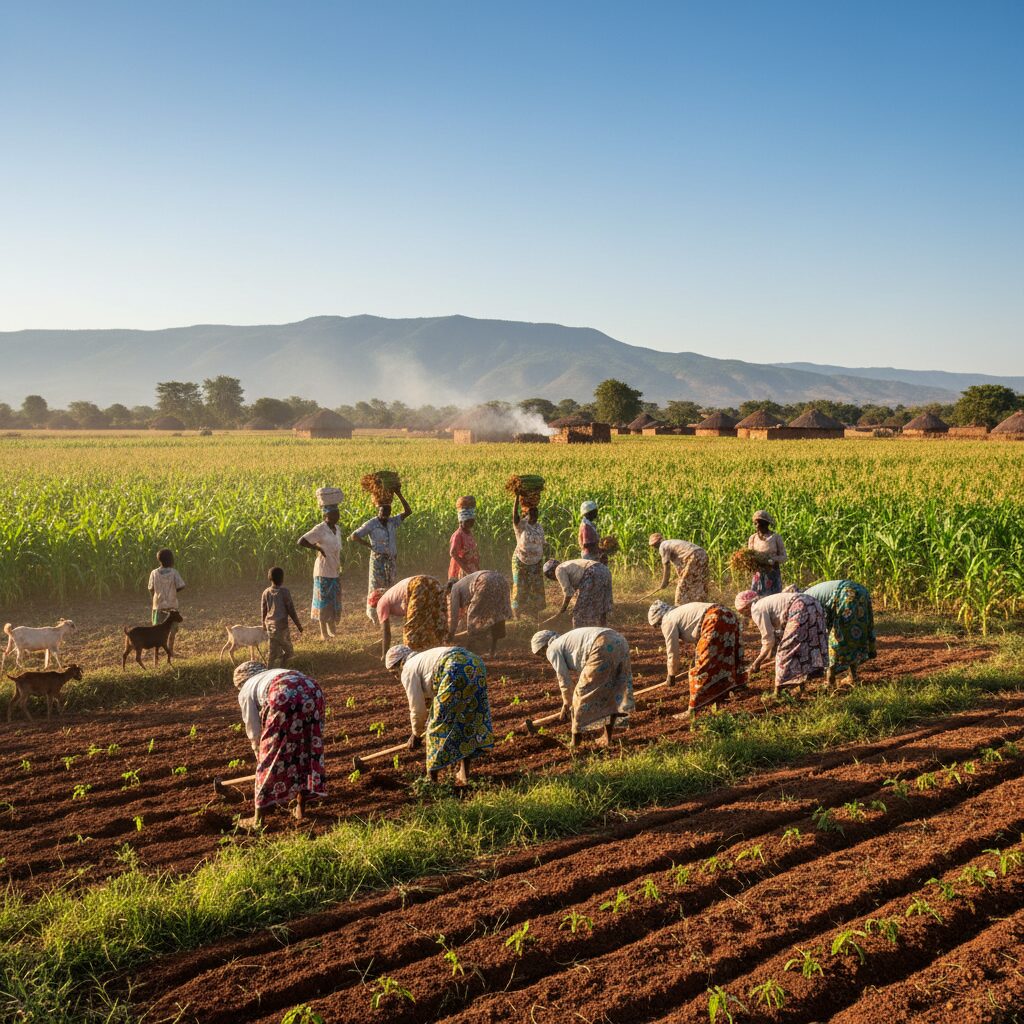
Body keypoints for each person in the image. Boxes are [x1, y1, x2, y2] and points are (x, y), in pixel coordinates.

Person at [232, 661, 326, 829]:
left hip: (283, 692)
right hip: (313, 688)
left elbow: (253, 730)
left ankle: (258, 821)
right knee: (308, 748)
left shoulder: (246, 689)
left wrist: (261, 756)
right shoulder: (273, 673)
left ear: (240, 682)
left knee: (269, 757)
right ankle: (300, 810)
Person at [385, 643, 493, 786]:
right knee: (467, 718)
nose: (395, 677)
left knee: (435, 728)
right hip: (474, 662)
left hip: (453, 668)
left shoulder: (407, 669)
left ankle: (432, 781)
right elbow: (430, 702)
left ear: (398, 664)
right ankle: (464, 774)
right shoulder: (423, 659)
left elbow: (417, 709)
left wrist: (416, 734)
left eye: (393, 673)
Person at [530, 628, 634, 749]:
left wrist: (567, 702)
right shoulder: (565, 640)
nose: (543, 657)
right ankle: (608, 737)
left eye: (540, 654)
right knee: (614, 690)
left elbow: (564, 679)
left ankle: (575, 742)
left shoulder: (552, 648)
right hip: (619, 639)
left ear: (543, 647)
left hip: (601, 644)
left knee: (580, 695)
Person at [648, 600, 746, 717]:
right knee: (729, 653)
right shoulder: (679, 611)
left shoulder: (667, 620)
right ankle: (736, 686)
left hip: (713, 619)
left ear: (658, 620)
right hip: (727, 614)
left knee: (701, 667)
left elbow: (672, 651)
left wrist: (671, 675)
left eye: (656, 626)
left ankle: (694, 709)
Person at [735, 588, 827, 696]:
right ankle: (802, 686)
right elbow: (777, 635)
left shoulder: (756, 609)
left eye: (742, 612)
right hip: (813, 603)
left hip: (799, 607)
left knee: (784, 652)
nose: (744, 615)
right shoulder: (766, 602)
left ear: (746, 607)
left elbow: (768, 641)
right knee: (804, 646)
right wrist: (767, 655)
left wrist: (756, 663)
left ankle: (777, 692)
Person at [350, 486, 413, 619]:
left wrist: (399, 494)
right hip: (378, 560)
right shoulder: (371, 524)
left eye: (388, 511)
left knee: (390, 587)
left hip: (390, 559)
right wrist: (369, 545)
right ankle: (374, 615)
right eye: (383, 511)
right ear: (378, 510)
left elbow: (408, 511)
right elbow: (354, 536)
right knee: (375, 587)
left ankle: (388, 613)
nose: (385, 514)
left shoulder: (392, 522)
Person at [803, 579, 877, 687]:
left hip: (845, 593)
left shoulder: (802, 601)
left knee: (837, 637)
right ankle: (853, 676)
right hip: (861, 590)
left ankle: (830, 680)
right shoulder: (806, 594)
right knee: (854, 633)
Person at [298, 496, 343, 640]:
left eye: (337, 514)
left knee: (334, 600)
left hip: (334, 569)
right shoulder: (320, 529)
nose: (336, 517)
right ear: (325, 516)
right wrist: (317, 547)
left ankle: (332, 630)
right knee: (323, 602)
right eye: (333, 514)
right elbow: (301, 541)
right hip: (323, 571)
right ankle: (324, 633)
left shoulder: (337, 529)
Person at [375, 574, 447, 659]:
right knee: (435, 620)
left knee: (410, 632)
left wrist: (385, 654)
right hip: (433, 582)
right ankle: (441, 650)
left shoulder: (380, 603)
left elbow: (386, 632)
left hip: (417, 585)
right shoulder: (392, 593)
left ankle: (410, 659)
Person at [447, 570, 512, 656]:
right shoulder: (465, 582)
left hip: (484, 582)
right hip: (501, 580)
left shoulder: (454, 588)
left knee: (473, 619)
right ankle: (492, 651)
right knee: (497, 615)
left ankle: (472, 651)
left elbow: (454, 615)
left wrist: (451, 634)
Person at [543, 557, 613, 628]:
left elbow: (568, 593)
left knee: (578, 613)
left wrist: (562, 610)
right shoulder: (569, 565)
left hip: (591, 573)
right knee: (600, 607)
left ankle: (579, 635)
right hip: (604, 570)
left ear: (551, 573)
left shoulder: (558, 569)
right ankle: (604, 630)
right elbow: (575, 591)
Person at [647, 534, 710, 605]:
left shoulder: (663, 545)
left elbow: (666, 566)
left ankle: (678, 607)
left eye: (654, 545)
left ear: (658, 542)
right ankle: (701, 603)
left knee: (682, 587)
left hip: (693, 556)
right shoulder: (671, 543)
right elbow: (681, 566)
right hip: (702, 554)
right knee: (698, 583)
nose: (654, 547)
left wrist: (664, 582)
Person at [260, 566, 303, 667]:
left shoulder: (266, 592)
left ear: (269, 578)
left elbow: (263, 610)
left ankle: (268, 672)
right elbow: (291, 610)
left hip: (270, 628)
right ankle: (282, 668)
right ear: (282, 579)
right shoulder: (284, 592)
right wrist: (298, 625)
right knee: (289, 652)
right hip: (281, 627)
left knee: (271, 654)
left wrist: (263, 624)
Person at [511, 495, 546, 619]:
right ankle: (517, 614)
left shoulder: (539, 527)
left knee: (535, 588)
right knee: (520, 587)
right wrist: (517, 496)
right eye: (532, 512)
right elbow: (514, 516)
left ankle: (533, 613)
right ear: (526, 513)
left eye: (536, 511)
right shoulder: (521, 525)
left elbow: (543, 543)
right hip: (521, 560)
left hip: (536, 562)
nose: (535, 514)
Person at [148, 548, 185, 651]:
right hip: (172, 606)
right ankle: (170, 651)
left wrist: (156, 596)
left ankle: (157, 654)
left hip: (158, 606)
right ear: (171, 560)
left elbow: (151, 588)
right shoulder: (174, 572)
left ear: (159, 560)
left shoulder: (154, 573)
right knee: (172, 631)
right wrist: (173, 591)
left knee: (157, 630)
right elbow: (181, 585)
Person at [747, 511, 787, 595]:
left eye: (758, 523)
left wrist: (773, 559)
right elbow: (749, 556)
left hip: (772, 575)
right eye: (755, 523)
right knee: (757, 599)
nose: (756, 526)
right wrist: (749, 562)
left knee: (773, 599)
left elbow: (784, 557)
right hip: (758, 575)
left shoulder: (775, 537)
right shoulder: (752, 538)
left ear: (765, 524)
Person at [448, 506, 480, 581]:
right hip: (461, 572)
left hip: (471, 570)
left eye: (472, 521)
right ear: (461, 521)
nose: (471, 524)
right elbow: (453, 553)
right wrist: (466, 569)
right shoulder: (458, 535)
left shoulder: (469, 533)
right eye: (468, 521)